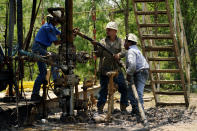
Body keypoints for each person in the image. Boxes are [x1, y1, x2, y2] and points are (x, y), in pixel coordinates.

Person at [93, 21, 128, 113]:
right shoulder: (102, 42)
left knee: (124, 88)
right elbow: (99, 54)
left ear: (115, 31)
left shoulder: (120, 41)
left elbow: (124, 51)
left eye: (109, 29)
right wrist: (95, 47)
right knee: (103, 90)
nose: (107, 31)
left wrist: (119, 55)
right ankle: (100, 108)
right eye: (107, 29)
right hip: (104, 70)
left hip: (116, 70)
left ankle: (123, 107)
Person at [31, 11, 61, 101]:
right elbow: (56, 43)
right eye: (58, 20)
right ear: (55, 19)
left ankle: (34, 94)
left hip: (41, 48)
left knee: (43, 73)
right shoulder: (49, 27)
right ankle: (57, 83)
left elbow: (60, 34)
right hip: (39, 48)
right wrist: (65, 40)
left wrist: (71, 34)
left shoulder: (51, 26)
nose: (58, 22)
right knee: (54, 61)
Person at [124, 33, 149, 115]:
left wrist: (128, 73)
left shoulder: (131, 51)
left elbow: (132, 65)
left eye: (125, 41)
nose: (124, 43)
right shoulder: (137, 50)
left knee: (138, 93)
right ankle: (136, 109)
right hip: (143, 71)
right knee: (131, 91)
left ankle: (140, 111)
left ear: (129, 43)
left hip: (139, 72)